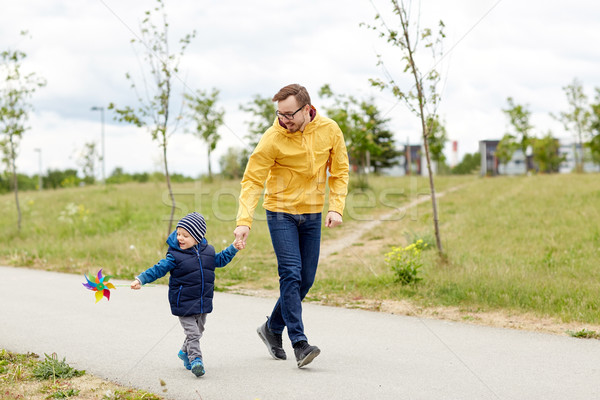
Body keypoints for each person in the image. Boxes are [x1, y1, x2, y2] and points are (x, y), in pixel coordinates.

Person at [234, 83, 349, 368]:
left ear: (307, 109)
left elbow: (340, 171)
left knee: (306, 279)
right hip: (280, 212)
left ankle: (272, 328)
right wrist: (244, 221)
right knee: (291, 274)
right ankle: (300, 343)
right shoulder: (272, 138)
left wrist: (336, 207)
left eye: (289, 114)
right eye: (279, 113)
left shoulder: (330, 130)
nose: (283, 119)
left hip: (311, 214)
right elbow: (252, 181)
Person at [131, 212, 243, 377]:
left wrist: (233, 248)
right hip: (183, 302)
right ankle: (196, 359)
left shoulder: (208, 252)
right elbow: (159, 268)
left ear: (197, 236)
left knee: (199, 330)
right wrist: (141, 279)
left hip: (202, 300)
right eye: (178, 234)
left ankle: (184, 353)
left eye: (185, 235)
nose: (180, 238)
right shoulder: (174, 256)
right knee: (193, 333)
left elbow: (221, 260)